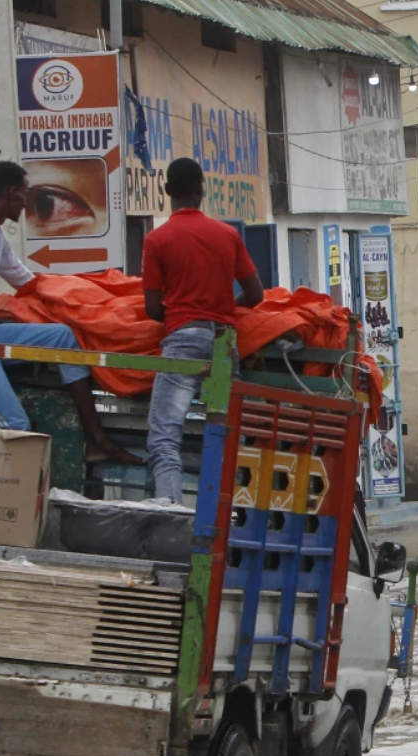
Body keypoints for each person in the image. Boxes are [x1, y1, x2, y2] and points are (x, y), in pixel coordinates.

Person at [0, 160, 137, 462]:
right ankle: (9, 501)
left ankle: (96, 440)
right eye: (24, 194)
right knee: (16, 425)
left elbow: (26, 281)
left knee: (63, 337)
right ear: (9, 193)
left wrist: (78, 301)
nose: (27, 202)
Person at [141, 157, 265, 503]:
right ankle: (229, 518)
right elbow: (256, 295)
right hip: (224, 344)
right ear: (201, 189)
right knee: (226, 436)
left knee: (165, 437)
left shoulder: (157, 239)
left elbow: (153, 308)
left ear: (166, 192)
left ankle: (173, 514)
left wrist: (185, 311)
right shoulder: (227, 234)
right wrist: (223, 308)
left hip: (183, 342)